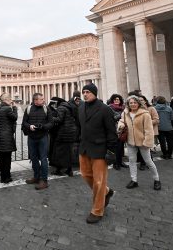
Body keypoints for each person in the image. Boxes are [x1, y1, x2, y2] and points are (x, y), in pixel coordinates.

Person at [77, 83, 117, 224]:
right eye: (84, 92)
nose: (85, 94)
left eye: (88, 91)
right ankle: (106, 192)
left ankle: (97, 210)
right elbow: (80, 127)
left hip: (100, 149)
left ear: (94, 93)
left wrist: (111, 151)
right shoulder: (81, 107)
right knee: (85, 174)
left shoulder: (105, 109)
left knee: (99, 181)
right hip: (84, 148)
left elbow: (111, 132)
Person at [118, 95, 161, 191]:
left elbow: (149, 130)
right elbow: (121, 121)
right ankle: (134, 180)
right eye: (131, 103)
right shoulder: (125, 113)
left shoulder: (145, 114)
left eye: (135, 102)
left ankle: (156, 179)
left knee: (148, 162)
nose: (133, 104)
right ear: (128, 104)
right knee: (132, 161)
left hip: (143, 142)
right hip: (130, 141)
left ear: (138, 103)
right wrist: (120, 125)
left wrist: (147, 142)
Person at [22, 93, 54, 190]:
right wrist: (29, 126)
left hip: (43, 137)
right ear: (35, 100)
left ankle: (44, 180)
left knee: (43, 159)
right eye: (41, 99)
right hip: (32, 137)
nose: (43, 100)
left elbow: (51, 123)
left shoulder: (46, 109)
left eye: (43, 99)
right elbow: (24, 122)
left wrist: (43, 126)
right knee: (34, 158)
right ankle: (36, 177)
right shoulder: (28, 109)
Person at [0, 93, 18, 183]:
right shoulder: (7, 108)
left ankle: (2, 176)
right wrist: (15, 108)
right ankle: (7, 177)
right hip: (7, 136)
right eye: (10, 99)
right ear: (7, 99)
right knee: (7, 158)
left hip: (0, 135)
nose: (11, 100)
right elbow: (15, 118)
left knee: (2, 157)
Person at [51, 97, 78, 176]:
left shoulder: (61, 108)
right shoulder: (69, 107)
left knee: (59, 151)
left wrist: (50, 118)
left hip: (63, 133)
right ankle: (69, 170)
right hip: (71, 132)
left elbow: (59, 119)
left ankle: (58, 170)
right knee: (68, 151)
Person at [107, 94, 128, 170]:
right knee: (116, 148)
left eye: (118, 99)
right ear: (112, 100)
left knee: (121, 147)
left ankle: (121, 162)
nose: (116, 101)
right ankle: (116, 163)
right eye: (115, 99)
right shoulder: (109, 108)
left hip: (123, 130)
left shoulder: (123, 108)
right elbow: (110, 119)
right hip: (114, 130)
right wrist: (120, 116)